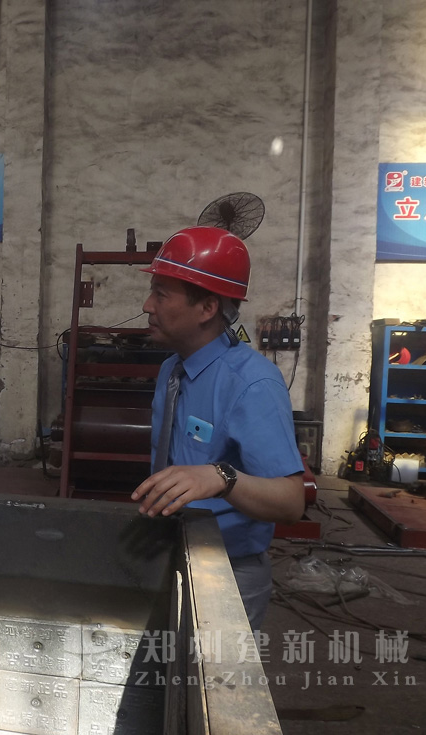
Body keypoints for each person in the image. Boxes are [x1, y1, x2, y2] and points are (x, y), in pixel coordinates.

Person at [131, 226, 305, 632]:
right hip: (170, 550)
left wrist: (222, 477)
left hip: (228, 571)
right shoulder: (171, 370)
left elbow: (291, 501)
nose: (147, 305)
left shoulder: (252, 385)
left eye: (161, 294)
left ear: (207, 308)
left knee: (215, 673)